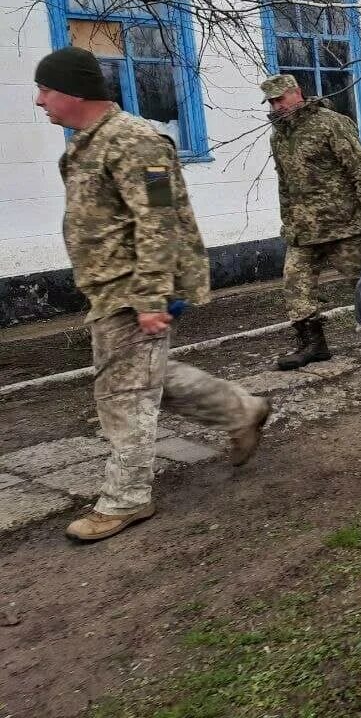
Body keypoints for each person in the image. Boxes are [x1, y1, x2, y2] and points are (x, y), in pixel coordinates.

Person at [34, 47, 270, 543]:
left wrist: (149, 297)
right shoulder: (86, 144)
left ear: (74, 92)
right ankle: (240, 410)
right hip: (110, 286)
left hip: (133, 286)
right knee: (143, 377)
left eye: (46, 89)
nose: (39, 101)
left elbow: (158, 219)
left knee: (122, 395)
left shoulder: (136, 142)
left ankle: (125, 499)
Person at [263, 74, 361, 371]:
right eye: (271, 102)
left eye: (280, 99)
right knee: (294, 285)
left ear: (296, 93)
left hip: (343, 225)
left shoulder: (331, 123)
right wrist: (288, 222)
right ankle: (314, 344)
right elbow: (285, 183)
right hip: (303, 230)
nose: (276, 107)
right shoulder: (279, 136)